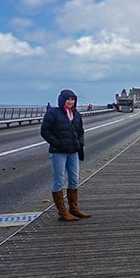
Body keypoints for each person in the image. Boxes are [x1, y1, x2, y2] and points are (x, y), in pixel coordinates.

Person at [40, 89, 91, 221]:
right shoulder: (53, 113)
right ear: (62, 100)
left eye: (72, 99)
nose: (70, 102)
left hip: (73, 152)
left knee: (74, 179)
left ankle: (74, 209)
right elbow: (45, 131)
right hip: (58, 152)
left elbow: (80, 131)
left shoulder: (76, 114)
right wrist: (57, 143)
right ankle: (62, 212)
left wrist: (80, 143)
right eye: (68, 99)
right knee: (59, 181)